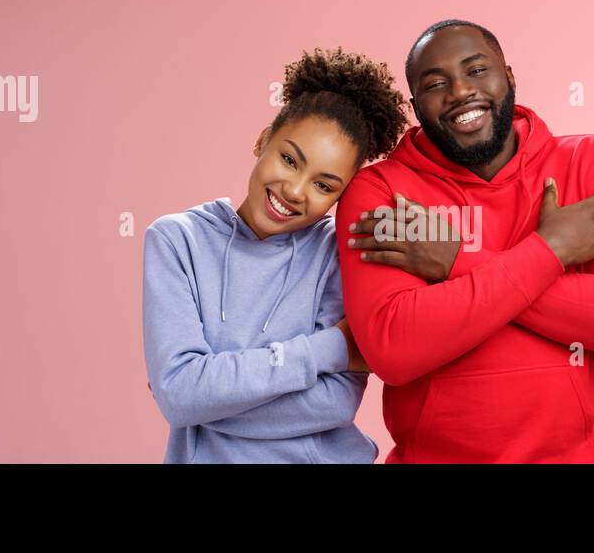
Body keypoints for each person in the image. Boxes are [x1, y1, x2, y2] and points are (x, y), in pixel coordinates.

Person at [337, 20, 594, 463]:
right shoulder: (381, 192)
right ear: (415, 105)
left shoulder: (588, 162)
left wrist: (457, 260)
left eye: (475, 70)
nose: (459, 92)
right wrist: (555, 250)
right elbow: (393, 349)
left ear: (508, 76)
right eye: (436, 84)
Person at [143, 48, 408, 463]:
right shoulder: (178, 241)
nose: (295, 191)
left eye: (324, 186)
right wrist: (331, 347)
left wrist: (207, 396)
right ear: (263, 140)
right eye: (289, 160)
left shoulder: (338, 253)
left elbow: (335, 404)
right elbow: (181, 397)